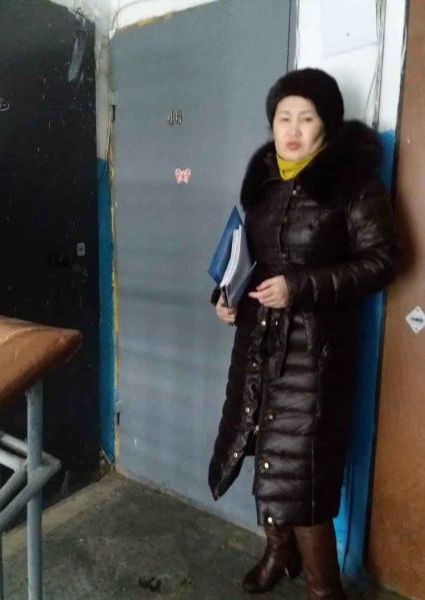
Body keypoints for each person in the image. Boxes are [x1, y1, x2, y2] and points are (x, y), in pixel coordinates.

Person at [209, 68, 399, 599]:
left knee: (302, 475)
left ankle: (324, 590)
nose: (291, 130)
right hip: (257, 346)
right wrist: (225, 297)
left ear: (326, 125)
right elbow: (246, 258)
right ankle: (279, 551)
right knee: (262, 451)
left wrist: (299, 287)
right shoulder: (264, 182)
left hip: (315, 356)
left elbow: (383, 261)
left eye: (305, 118)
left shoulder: (354, 183)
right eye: (282, 118)